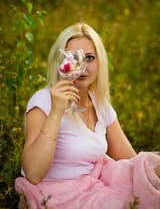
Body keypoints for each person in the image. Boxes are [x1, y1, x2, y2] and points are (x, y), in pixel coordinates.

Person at [15, 22, 160, 209]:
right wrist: (56, 113)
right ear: (59, 62)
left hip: (97, 179)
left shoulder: (99, 104)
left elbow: (130, 160)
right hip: (61, 193)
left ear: (100, 62)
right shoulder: (43, 101)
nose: (81, 66)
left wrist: (149, 178)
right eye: (71, 58)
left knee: (153, 168)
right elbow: (33, 174)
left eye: (89, 58)